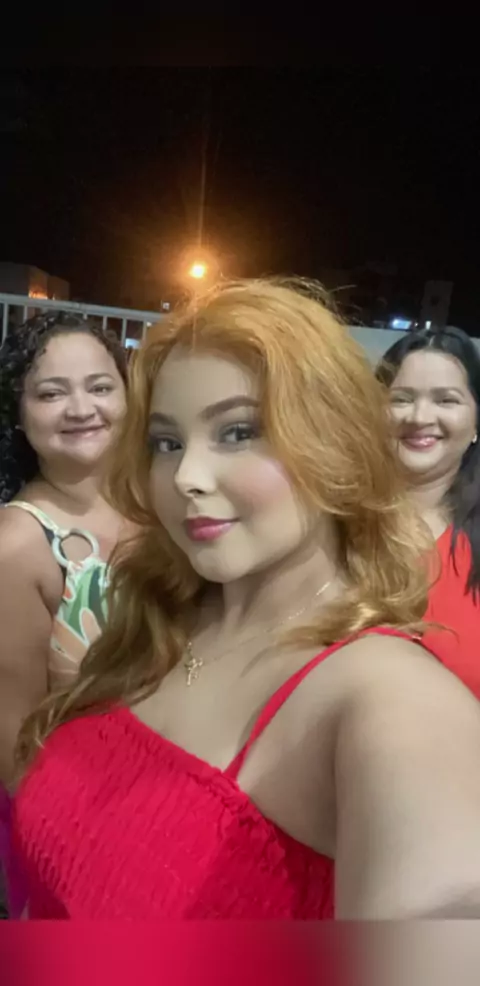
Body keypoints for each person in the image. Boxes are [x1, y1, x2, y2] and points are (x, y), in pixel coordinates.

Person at [12, 280, 480, 920]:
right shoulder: (161, 616)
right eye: (166, 442)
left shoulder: (386, 697)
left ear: (336, 444)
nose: (186, 477)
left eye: (238, 432)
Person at [0, 312, 131, 787]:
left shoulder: (167, 505)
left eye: (100, 387)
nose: (81, 409)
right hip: (92, 803)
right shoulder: (17, 546)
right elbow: (16, 748)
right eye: (52, 394)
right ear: (18, 414)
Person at [376, 326, 480, 698]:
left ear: (476, 422)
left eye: (446, 400)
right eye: (401, 399)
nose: (420, 417)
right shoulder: (329, 522)